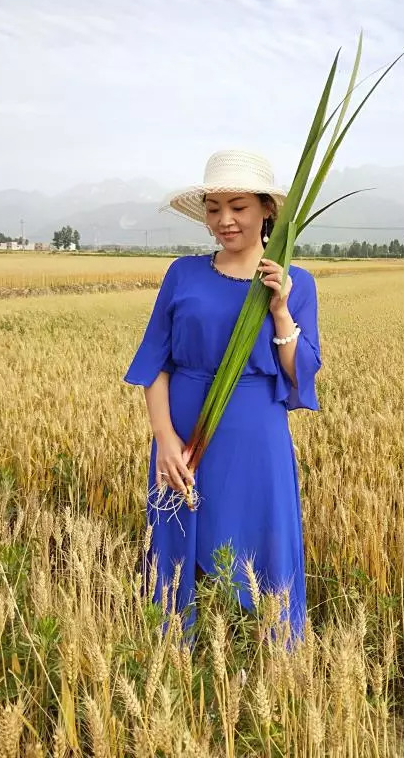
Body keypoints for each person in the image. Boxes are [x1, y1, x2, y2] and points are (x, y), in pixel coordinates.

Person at [123, 148, 322, 641]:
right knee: (178, 542)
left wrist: (279, 309)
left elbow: (300, 375)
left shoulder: (297, 284)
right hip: (182, 433)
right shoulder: (182, 274)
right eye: (214, 208)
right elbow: (155, 362)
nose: (225, 220)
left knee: (262, 540)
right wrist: (164, 437)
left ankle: (270, 655)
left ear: (267, 210)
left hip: (257, 434)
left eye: (238, 206)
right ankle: (175, 650)